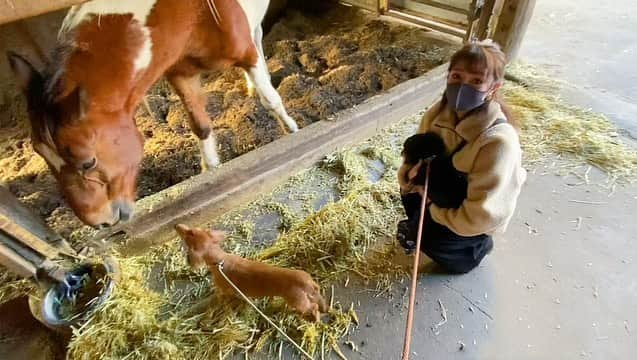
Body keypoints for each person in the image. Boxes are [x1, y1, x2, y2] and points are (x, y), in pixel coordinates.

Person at [396, 39, 527, 274]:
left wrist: (435, 212)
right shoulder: (437, 114)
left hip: (469, 217)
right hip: (439, 194)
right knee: (410, 203)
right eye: (457, 77)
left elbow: (483, 215)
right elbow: (413, 158)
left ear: (494, 88)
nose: (463, 87)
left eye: (476, 81)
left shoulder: (498, 141)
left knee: (432, 240)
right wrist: (410, 178)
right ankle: (428, 227)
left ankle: (473, 251)